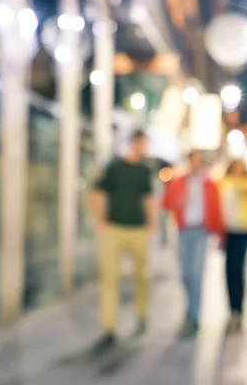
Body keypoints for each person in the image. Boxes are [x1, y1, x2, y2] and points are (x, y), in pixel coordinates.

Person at [91, 129, 155, 349]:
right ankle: (109, 326)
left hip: (138, 229)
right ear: (133, 143)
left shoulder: (145, 170)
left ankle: (141, 314)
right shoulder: (115, 166)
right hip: (115, 228)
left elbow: (148, 197)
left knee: (142, 275)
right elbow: (97, 191)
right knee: (110, 277)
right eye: (141, 143)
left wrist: (151, 223)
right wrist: (100, 220)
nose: (143, 147)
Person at [162, 150, 224, 338]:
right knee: (185, 274)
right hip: (183, 231)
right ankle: (189, 310)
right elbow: (167, 203)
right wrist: (178, 202)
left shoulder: (210, 184)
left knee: (196, 273)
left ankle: (194, 316)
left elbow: (216, 208)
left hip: (200, 231)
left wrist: (219, 233)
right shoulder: (180, 182)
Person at [220, 160, 247, 334]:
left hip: (243, 229)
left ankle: (239, 308)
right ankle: (232, 308)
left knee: (239, 267)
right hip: (228, 230)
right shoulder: (224, 184)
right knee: (229, 269)